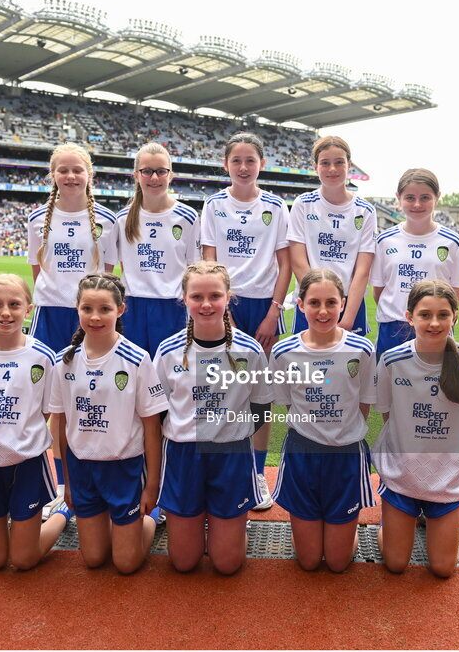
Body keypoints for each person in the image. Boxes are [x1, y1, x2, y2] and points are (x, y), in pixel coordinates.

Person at [153, 261, 273, 574]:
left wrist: (239, 440)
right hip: (183, 455)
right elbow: (155, 413)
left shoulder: (250, 351)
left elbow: (261, 407)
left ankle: (230, 525)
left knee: (227, 564)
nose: (206, 304)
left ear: (228, 297)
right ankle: (202, 520)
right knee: (184, 562)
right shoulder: (167, 352)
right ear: (184, 299)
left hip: (230, 455)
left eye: (215, 296)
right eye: (197, 297)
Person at [47, 274, 168, 574]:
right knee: (94, 559)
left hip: (124, 468)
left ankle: (153, 518)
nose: (95, 317)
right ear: (76, 308)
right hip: (82, 469)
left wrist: (152, 486)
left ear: (121, 310)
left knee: (126, 564)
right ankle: (116, 523)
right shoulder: (64, 361)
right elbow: (61, 426)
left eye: (104, 309)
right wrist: (67, 483)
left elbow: (153, 427)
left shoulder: (137, 359)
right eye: (87, 308)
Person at [200, 132, 292, 510]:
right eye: (236, 160)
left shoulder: (275, 206)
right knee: (219, 390)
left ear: (261, 164)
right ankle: (217, 468)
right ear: (226, 165)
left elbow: (285, 263)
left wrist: (273, 312)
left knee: (261, 398)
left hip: (264, 309)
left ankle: (256, 473)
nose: (243, 167)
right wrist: (224, 310)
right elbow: (209, 260)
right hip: (223, 306)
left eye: (250, 160)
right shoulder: (214, 205)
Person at [0, 274, 72, 571]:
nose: (5, 312)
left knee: (23, 560)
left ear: (29, 309)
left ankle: (61, 513)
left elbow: (47, 412)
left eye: (14, 304)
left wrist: (22, 435)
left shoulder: (43, 356)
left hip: (27, 463)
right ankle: (14, 528)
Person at [373, 280, 459, 578]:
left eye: (443, 315)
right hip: (402, 474)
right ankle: (393, 518)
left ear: (455, 317)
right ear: (409, 317)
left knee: (443, 569)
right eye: (424, 315)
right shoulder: (392, 360)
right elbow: (388, 418)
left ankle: (427, 517)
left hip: (445, 478)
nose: (434, 323)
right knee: (396, 564)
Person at [269, 269, 377, 573]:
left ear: (343, 303)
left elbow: (364, 403)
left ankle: (342, 530)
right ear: (300, 305)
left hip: (345, 454)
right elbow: (288, 402)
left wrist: (342, 431)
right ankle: (315, 529)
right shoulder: (283, 351)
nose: (323, 311)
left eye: (331, 302)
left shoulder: (362, 349)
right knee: (309, 561)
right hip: (303, 453)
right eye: (314, 303)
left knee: (339, 563)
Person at [28, 143, 117, 505]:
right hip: (51, 315)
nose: (70, 176)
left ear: (89, 174)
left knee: (95, 397)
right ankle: (61, 487)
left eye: (77, 170)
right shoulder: (37, 219)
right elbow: (37, 273)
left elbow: (107, 278)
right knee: (47, 405)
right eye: (62, 170)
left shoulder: (106, 221)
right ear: (53, 176)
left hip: (90, 318)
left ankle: (97, 476)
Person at [371, 168, 459, 360]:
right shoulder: (384, 240)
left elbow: (458, 291)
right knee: (386, 386)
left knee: (435, 385)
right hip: (393, 327)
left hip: (435, 326)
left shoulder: (452, 241)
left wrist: (435, 316)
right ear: (398, 198)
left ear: (437, 197)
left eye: (425, 197)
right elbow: (379, 290)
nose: (417, 204)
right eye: (409, 198)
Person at [115, 142, 201, 357]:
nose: (154, 178)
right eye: (147, 171)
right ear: (136, 175)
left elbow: (194, 268)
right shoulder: (122, 219)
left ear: (170, 175)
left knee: (172, 376)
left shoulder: (188, 217)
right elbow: (121, 265)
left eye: (161, 171)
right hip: (132, 307)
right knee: (135, 375)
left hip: (174, 308)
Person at [286, 136, 376, 337]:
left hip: (350, 303)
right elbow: (298, 261)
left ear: (349, 165)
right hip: (311, 302)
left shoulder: (365, 210)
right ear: (315, 166)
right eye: (325, 163)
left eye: (339, 162)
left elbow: (362, 271)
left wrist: (348, 318)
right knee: (305, 366)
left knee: (350, 366)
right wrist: (316, 300)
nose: (332, 169)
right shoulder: (303, 204)